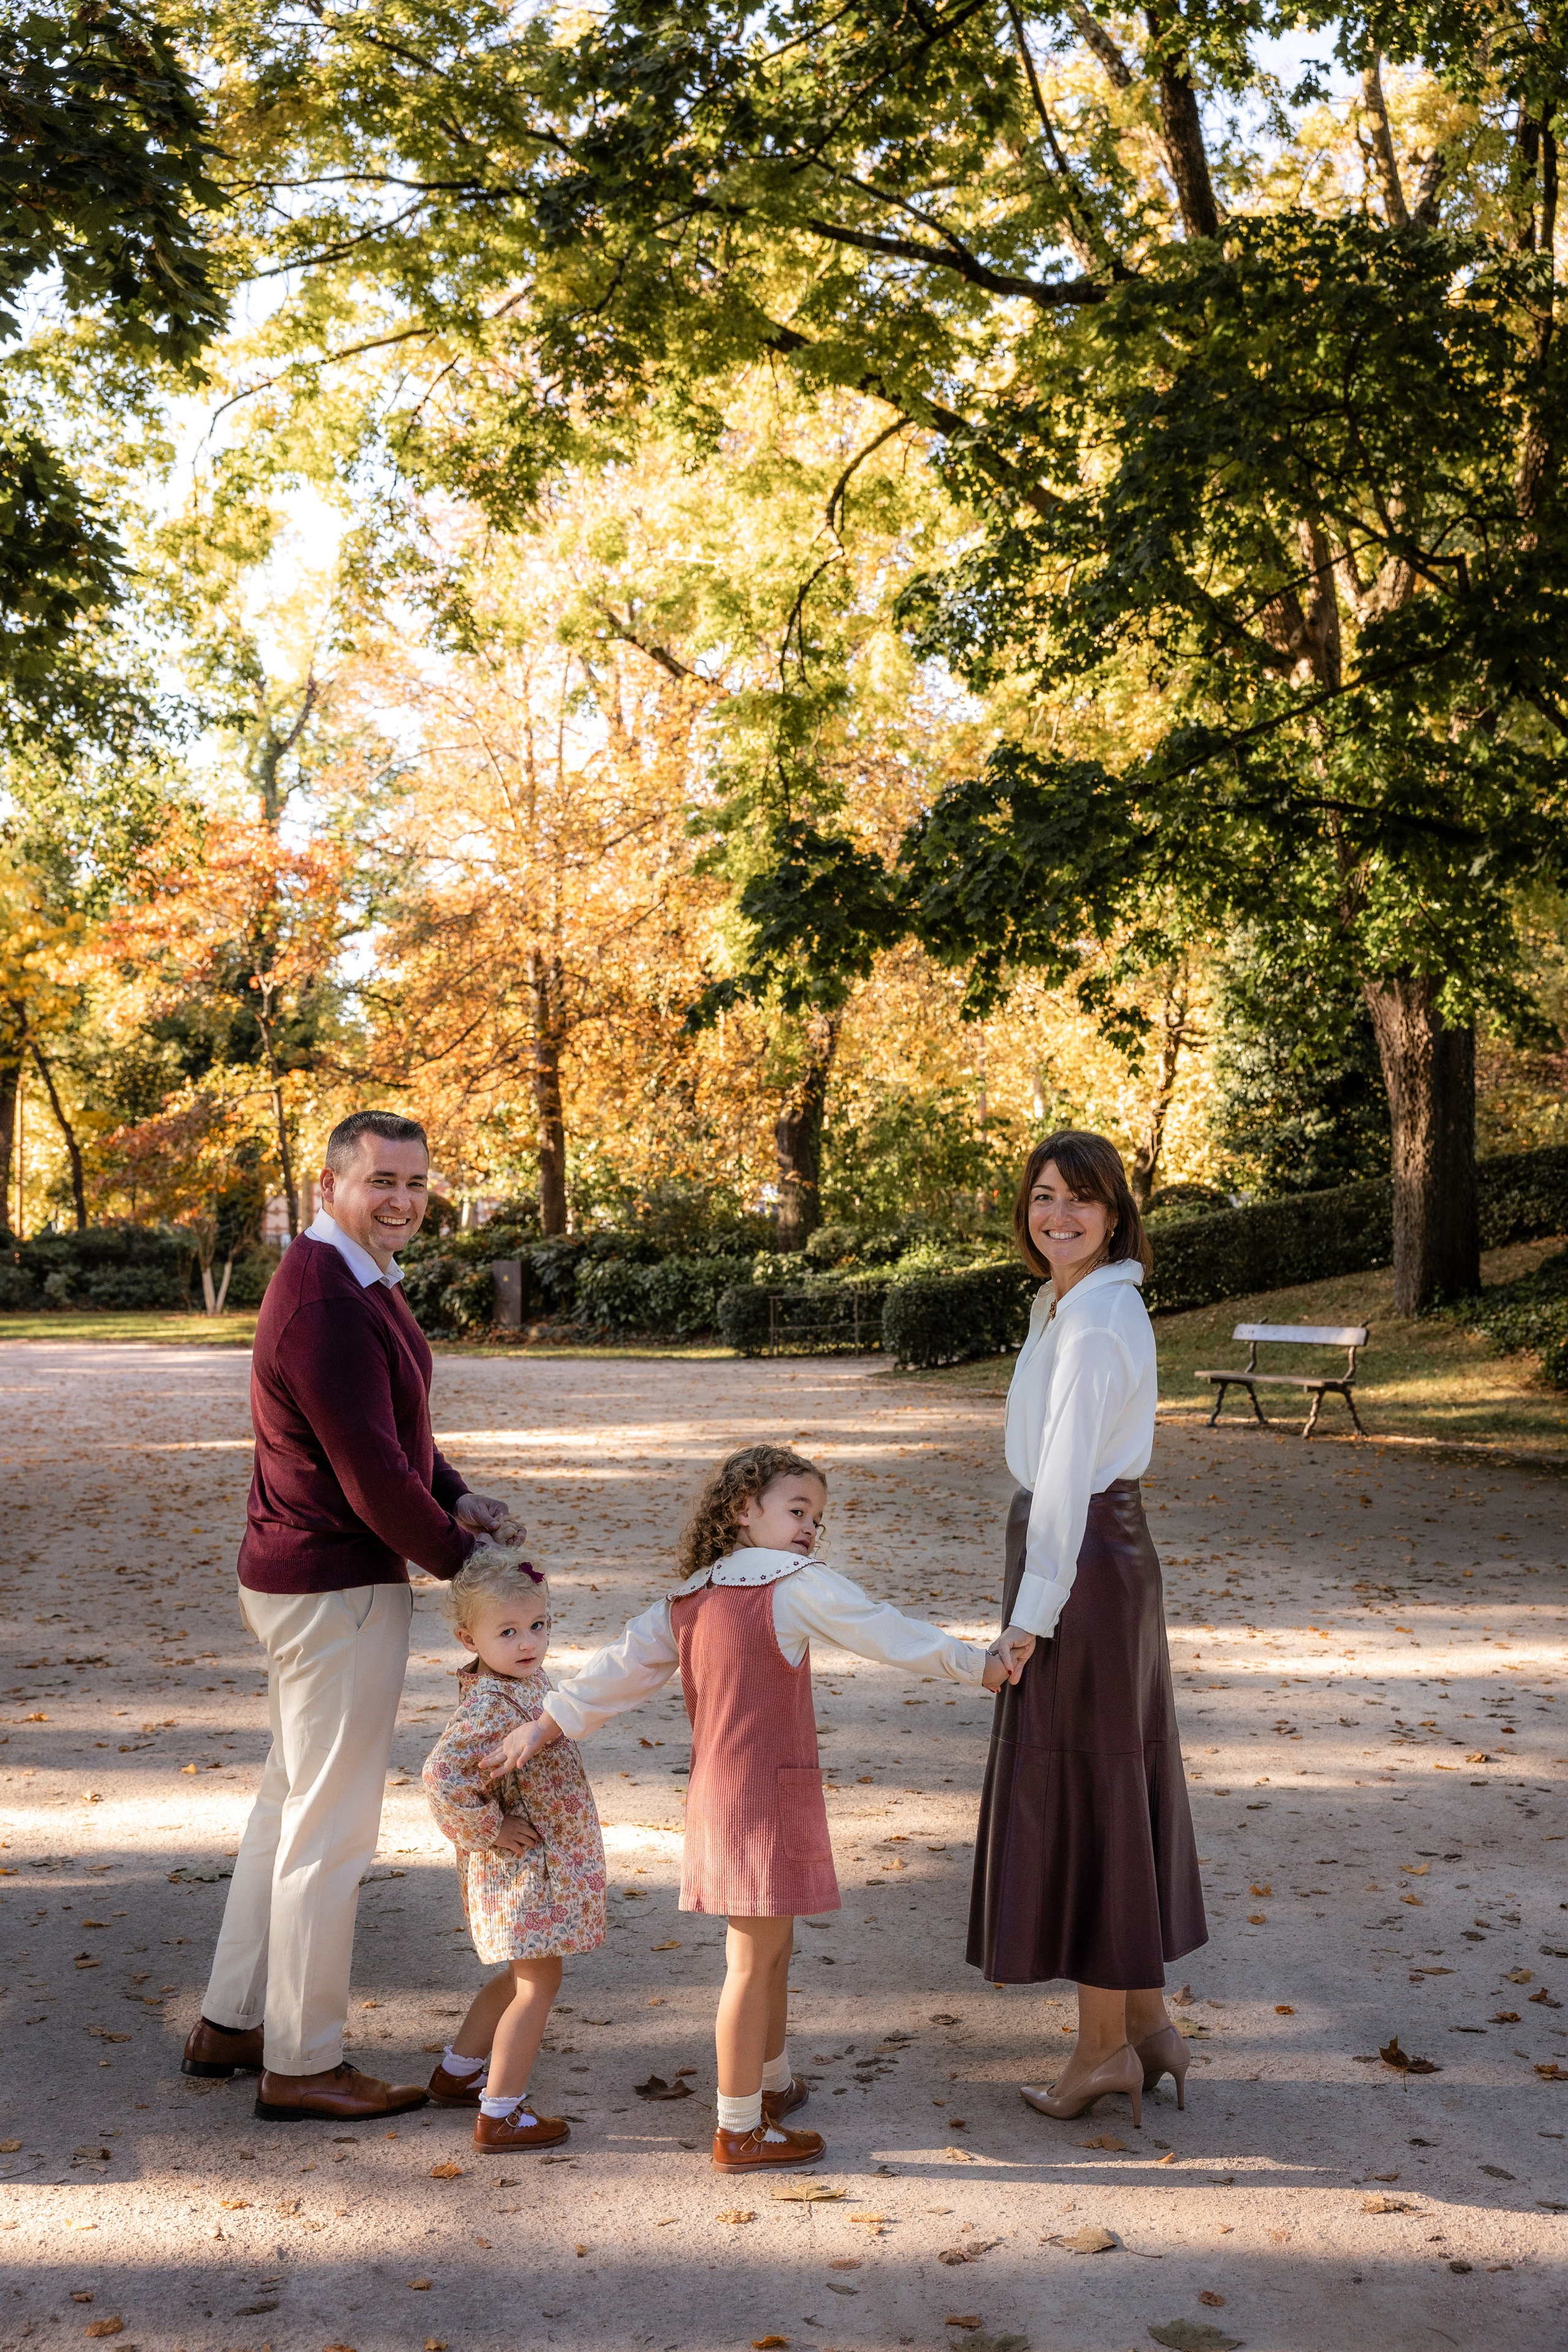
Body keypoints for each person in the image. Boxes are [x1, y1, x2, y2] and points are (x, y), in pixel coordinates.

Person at [480, 1444, 1009, 2172]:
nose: (809, 1529)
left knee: (771, 1953)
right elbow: (885, 1629)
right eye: (797, 1511)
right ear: (741, 1510)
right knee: (753, 1964)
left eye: (816, 1518)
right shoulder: (793, 1585)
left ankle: (773, 2084)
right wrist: (977, 1665)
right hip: (762, 1802)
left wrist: (546, 1722)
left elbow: (615, 1672)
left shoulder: (689, 1598)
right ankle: (739, 2128)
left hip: (726, 1798)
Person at [181, 1109, 519, 2124]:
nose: (406, 1201)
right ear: (329, 1184)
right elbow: (372, 1478)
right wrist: (477, 1571)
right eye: (383, 1182)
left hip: (303, 1575)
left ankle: (234, 2022)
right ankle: (304, 2061)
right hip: (333, 1588)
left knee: (290, 1808)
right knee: (329, 1836)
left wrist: (453, 1492)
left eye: (417, 1183)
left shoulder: (349, 1275)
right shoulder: (329, 1298)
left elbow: (388, 1429)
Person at [970, 1131, 1207, 2127]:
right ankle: (1147, 2025)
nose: (1056, 1214)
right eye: (1042, 1196)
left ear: (1116, 1213)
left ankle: (1103, 2051)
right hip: (1094, 1563)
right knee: (1104, 1778)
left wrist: (1026, 1623)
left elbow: (1065, 1480)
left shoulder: (1099, 1320)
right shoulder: (1071, 1305)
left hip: (1084, 1569)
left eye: (1080, 1199)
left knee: (1094, 1791)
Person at [422, 1544, 606, 2151]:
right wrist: (486, 1829)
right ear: (468, 1638)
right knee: (538, 1982)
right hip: (521, 1868)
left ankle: (458, 2073)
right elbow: (442, 1775)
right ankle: (499, 2113)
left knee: (523, 1972)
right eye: (507, 1632)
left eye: (537, 1626)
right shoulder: (490, 1702)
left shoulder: (524, 1679)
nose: (528, 1642)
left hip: (540, 1862)